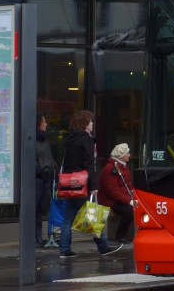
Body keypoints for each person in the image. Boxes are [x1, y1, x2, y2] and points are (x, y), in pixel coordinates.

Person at [58, 110, 118, 258]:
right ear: (84, 123)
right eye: (90, 121)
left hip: (69, 184)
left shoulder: (69, 139)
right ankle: (103, 246)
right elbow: (89, 164)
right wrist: (94, 186)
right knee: (91, 215)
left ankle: (64, 249)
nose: (92, 124)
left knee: (68, 219)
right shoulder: (86, 140)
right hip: (83, 184)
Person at [98, 144, 136, 245]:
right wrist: (129, 200)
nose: (129, 155)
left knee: (133, 208)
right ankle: (120, 235)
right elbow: (112, 191)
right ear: (121, 155)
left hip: (118, 198)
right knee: (129, 211)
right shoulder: (112, 168)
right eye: (127, 153)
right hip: (109, 200)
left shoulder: (119, 166)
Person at [34, 115, 57, 247]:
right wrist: (41, 170)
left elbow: (49, 158)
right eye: (44, 121)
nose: (46, 124)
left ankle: (38, 237)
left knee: (41, 208)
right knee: (35, 208)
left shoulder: (45, 140)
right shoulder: (34, 140)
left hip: (46, 178)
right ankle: (35, 237)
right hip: (38, 179)